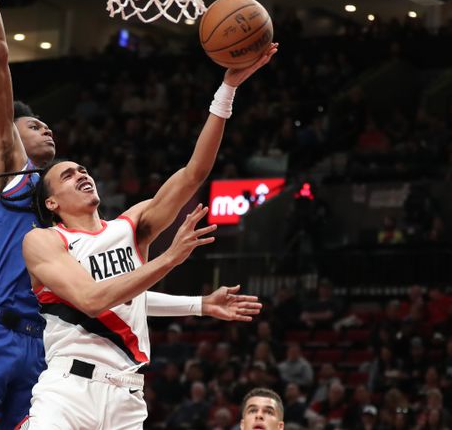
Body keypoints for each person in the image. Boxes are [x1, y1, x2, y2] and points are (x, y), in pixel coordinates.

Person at [0, 0, 270, 429]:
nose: (44, 128)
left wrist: (197, 305)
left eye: (50, 127)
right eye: (33, 125)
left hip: (49, 344)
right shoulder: (7, 171)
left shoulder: (91, 230)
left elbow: (123, 286)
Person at [21, 44, 275, 427]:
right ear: (52, 203)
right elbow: (92, 300)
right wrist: (169, 258)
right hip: (69, 391)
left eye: (84, 169)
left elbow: (193, 174)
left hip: (127, 397)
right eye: (68, 175)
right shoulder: (43, 241)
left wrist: (227, 90)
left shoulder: (130, 226)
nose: (82, 175)